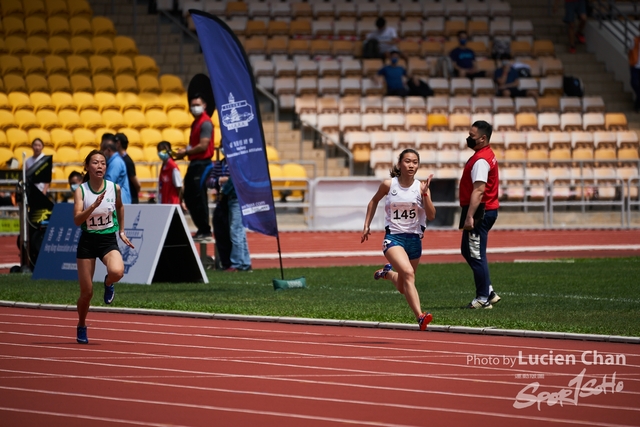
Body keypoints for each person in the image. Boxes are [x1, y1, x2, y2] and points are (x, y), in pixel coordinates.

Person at [361, 149, 436, 330]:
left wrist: (425, 194)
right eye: (408, 161)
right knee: (409, 274)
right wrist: (366, 225)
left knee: (403, 286)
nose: (411, 165)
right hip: (393, 239)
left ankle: (387, 274)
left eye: (415, 162)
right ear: (399, 164)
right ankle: (420, 316)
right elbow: (373, 201)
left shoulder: (421, 187)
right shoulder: (389, 185)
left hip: (414, 241)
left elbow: (432, 216)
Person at [73, 149, 134, 344]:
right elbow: (76, 220)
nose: (100, 166)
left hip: (108, 239)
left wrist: (122, 231)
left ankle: (108, 283)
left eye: (103, 163)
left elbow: (120, 207)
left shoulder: (113, 188)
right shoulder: (81, 190)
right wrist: (92, 206)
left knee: (117, 271)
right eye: (95, 163)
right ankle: (82, 324)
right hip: (88, 242)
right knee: (87, 293)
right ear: (87, 167)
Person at [459, 121, 501, 309]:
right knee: (468, 251)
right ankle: (488, 291)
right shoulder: (485, 155)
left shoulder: (481, 160)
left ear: (483, 138)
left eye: (472, 136)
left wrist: (470, 216)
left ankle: (483, 298)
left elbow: (479, 190)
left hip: (480, 211)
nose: (469, 139)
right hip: (483, 210)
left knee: (475, 254)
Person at [173, 94, 215, 243]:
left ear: (204, 106)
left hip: (203, 163)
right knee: (189, 196)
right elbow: (193, 145)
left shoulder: (205, 123)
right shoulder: (195, 123)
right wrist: (182, 153)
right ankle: (201, 228)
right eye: (192, 105)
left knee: (199, 196)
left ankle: (205, 230)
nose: (194, 108)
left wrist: (186, 152)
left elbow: (203, 145)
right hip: (194, 163)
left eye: (197, 104)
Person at [100, 133, 132, 204]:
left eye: (102, 150)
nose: (101, 153)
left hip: (120, 202)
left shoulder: (115, 163)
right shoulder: (114, 161)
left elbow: (109, 182)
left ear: (108, 150)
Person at [114, 133, 140, 204]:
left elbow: (137, 184)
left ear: (118, 143)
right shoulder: (118, 160)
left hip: (130, 199)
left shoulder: (127, 161)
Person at [156, 141, 184, 206]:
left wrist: (181, 201)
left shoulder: (173, 167)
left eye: (162, 150)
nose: (160, 153)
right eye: (159, 150)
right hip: (164, 202)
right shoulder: (163, 166)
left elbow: (179, 187)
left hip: (173, 203)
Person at [629, 35, 640, 113]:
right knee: (634, 83)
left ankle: (636, 106)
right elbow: (630, 51)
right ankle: (636, 106)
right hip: (635, 66)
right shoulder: (635, 41)